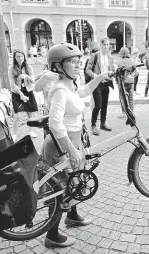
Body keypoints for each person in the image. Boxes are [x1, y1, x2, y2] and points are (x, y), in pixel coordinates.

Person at [42, 43, 110, 248]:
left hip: (73, 141)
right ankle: (52, 236)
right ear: (58, 66)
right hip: (60, 145)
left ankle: (72, 216)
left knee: (75, 181)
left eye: (77, 61)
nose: (77, 65)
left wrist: (99, 77)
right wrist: (70, 150)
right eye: (72, 62)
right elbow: (54, 123)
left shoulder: (69, 86)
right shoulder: (60, 90)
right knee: (60, 189)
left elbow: (82, 92)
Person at [85, 37, 116, 136]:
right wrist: (96, 76)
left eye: (108, 45)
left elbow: (112, 70)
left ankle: (103, 124)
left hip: (106, 83)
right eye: (105, 44)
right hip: (97, 84)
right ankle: (93, 125)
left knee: (105, 105)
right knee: (98, 105)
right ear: (101, 45)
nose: (107, 47)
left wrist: (112, 73)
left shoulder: (110, 57)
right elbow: (87, 69)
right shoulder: (95, 55)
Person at [9, 49, 38, 141]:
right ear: (14, 57)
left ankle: (31, 131)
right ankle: (14, 134)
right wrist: (20, 93)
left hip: (28, 91)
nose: (20, 58)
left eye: (21, 56)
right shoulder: (11, 68)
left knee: (30, 113)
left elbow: (33, 80)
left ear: (24, 57)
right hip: (17, 93)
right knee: (17, 115)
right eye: (18, 56)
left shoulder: (28, 67)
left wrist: (27, 77)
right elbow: (12, 84)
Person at [115, 47, 136, 118]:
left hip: (122, 82)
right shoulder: (132, 61)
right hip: (131, 81)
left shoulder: (119, 61)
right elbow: (135, 72)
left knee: (122, 97)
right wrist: (131, 76)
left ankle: (124, 113)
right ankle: (131, 113)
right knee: (131, 97)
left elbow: (116, 73)